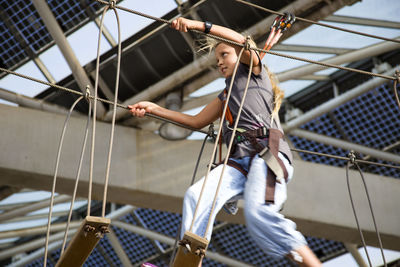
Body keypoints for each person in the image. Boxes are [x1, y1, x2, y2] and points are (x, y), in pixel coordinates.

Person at [129, 18, 322, 267]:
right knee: (195, 197)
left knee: (260, 212)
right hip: (239, 162)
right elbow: (196, 122)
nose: (219, 62)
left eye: (224, 54)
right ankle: (187, 263)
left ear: (240, 54)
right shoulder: (227, 92)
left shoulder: (255, 73)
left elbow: (241, 41)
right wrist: (155, 110)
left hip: (266, 153)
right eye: (217, 58)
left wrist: (198, 25)